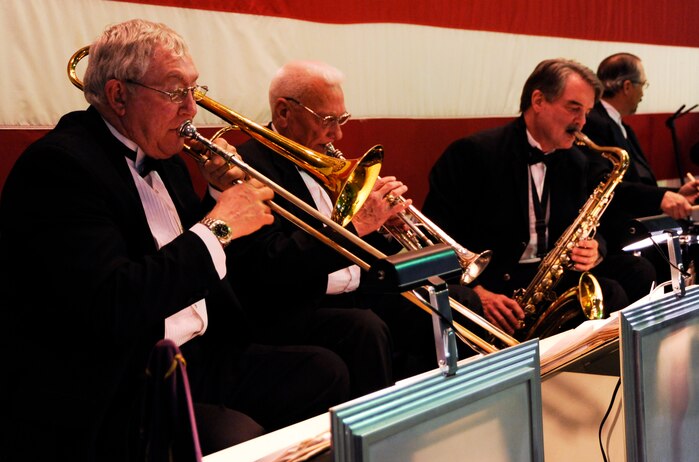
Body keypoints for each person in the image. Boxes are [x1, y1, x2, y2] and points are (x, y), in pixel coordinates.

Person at [0, 20, 350, 462]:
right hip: (121, 373)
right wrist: (220, 225)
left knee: (324, 372)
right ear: (118, 95)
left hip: (197, 354)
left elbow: (183, 253)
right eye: (174, 92)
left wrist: (217, 198)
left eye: (194, 90)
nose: (191, 109)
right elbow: (115, 302)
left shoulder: (165, 161)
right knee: (236, 433)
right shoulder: (60, 168)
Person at [228, 60, 484, 393]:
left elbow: (358, 238)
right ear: (284, 113)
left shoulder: (325, 158)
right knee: (365, 329)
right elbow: (273, 263)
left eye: (341, 119)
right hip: (296, 302)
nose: (338, 134)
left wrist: (382, 222)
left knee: (458, 300)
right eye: (327, 121)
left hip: (357, 288)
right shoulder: (247, 166)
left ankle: (450, 401)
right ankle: (379, 435)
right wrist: (359, 224)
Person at [423, 58, 654, 337]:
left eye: (587, 112)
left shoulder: (577, 162)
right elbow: (433, 239)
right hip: (492, 282)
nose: (581, 122)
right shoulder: (472, 154)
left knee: (631, 274)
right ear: (538, 100)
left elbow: (597, 225)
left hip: (549, 279)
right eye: (574, 108)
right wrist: (478, 291)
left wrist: (596, 248)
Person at [583, 53, 699, 280]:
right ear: (627, 86)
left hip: (640, 224)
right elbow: (606, 185)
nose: (643, 93)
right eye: (642, 85)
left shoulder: (619, 124)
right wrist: (662, 197)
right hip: (619, 233)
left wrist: (676, 193)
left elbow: (639, 184)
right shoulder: (596, 123)